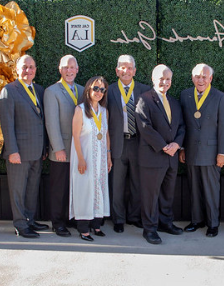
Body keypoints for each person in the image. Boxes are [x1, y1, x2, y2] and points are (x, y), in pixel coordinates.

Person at [0, 55, 49, 238]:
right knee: (18, 190)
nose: (28, 70)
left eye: (31, 67)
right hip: (18, 152)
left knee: (31, 189)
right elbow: (7, 124)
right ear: (17, 69)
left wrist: (44, 148)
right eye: (24, 67)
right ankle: (20, 225)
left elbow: (41, 121)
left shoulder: (39, 90)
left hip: (37, 152)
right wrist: (12, 151)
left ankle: (30, 220)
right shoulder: (9, 91)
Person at [179, 63, 224, 237]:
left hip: (212, 152)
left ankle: (213, 223)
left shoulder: (220, 97)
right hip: (191, 150)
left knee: (211, 190)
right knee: (194, 188)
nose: (201, 80)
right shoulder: (185, 95)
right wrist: (183, 148)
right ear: (193, 78)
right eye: (197, 76)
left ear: (210, 78)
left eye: (204, 76)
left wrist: (223, 153)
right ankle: (196, 220)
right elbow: (183, 125)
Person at [136, 64, 185, 245]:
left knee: (167, 194)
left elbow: (181, 126)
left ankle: (166, 223)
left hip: (171, 157)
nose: (165, 82)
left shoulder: (174, 102)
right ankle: (149, 229)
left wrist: (177, 144)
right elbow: (145, 127)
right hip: (153, 156)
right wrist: (164, 146)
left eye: (168, 79)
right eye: (161, 78)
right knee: (150, 196)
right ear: (153, 79)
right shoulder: (144, 99)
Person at [107, 55, 150, 233]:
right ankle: (118, 219)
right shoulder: (108, 91)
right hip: (117, 143)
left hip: (138, 143)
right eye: (122, 67)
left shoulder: (145, 90)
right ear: (117, 71)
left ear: (134, 70)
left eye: (130, 67)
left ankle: (133, 216)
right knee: (116, 184)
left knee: (137, 183)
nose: (126, 70)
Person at [44, 55, 84, 237]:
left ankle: (71, 219)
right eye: (66, 67)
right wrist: (58, 148)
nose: (69, 71)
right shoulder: (52, 91)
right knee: (59, 188)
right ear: (60, 70)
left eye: (72, 67)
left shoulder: (83, 90)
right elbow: (51, 122)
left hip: (79, 150)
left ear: (77, 69)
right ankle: (58, 222)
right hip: (61, 150)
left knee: (75, 186)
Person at [70, 76, 112, 241]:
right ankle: (83, 229)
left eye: (102, 89)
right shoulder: (80, 110)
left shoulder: (104, 111)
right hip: (84, 157)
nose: (99, 92)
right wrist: (80, 158)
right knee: (84, 190)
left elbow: (106, 134)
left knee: (99, 189)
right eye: (96, 88)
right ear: (88, 89)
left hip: (100, 159)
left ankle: (96, 225)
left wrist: (108, 155)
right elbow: (75, 136)